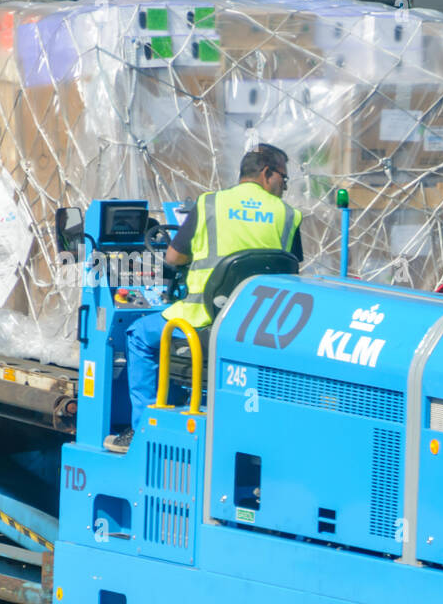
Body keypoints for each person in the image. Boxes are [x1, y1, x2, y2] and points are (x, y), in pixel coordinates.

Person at [105, 144, 303, 452]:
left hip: (204, 322)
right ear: (266, 173)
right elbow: (291, 268)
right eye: (284, 179)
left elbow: (172, 258)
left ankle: (142, 431)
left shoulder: (210, 204)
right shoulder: (288, 215)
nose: (284, 186)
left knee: (138, 335)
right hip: (257, 330)